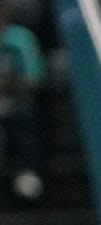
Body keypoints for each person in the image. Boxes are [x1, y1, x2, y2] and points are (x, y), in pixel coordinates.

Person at [0, 0, 44, 202]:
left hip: (17, 104)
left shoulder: (20, 40)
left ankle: (27, 173)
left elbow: (34, 80)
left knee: (25, 119)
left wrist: (8, 86)